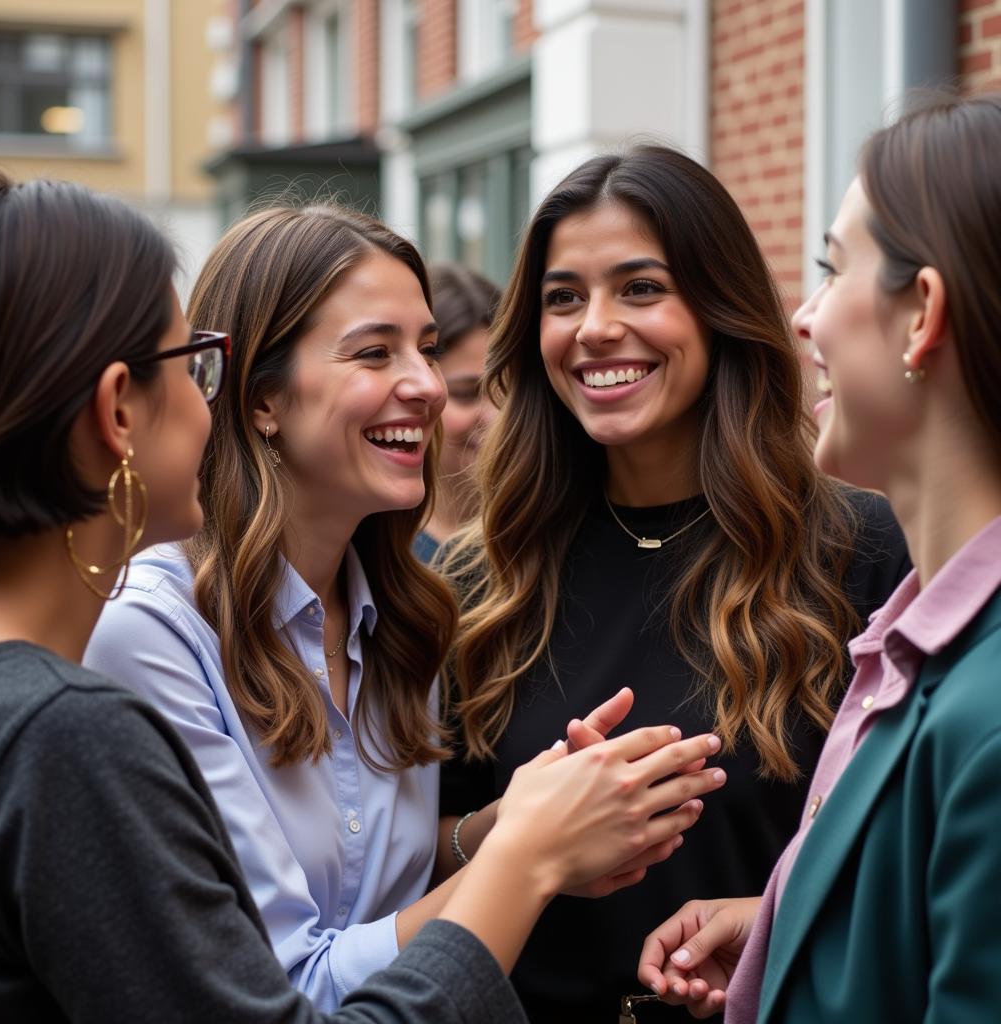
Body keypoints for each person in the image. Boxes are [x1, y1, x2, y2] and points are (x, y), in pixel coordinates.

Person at [0, 168, 724, 1024]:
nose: (428, 387)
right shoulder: (143, 641)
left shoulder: (409, 612)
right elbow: (290, 986)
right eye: (376, 352)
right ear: (260, 398)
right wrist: (528, 856)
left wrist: (494, 829)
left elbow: (384, 899)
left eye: (430, 348)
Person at [440, 144, 911, 1020]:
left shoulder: (862, 548)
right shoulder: (477, 575)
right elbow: (403, 859)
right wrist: (518, 829)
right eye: (563, 298)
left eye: (641, 288)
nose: (595, 327)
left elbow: (910, 847)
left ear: (718, 306)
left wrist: (772, 920)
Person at [637, 91, 1001, 1024]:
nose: (804, 317)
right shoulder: (923, 645)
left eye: (833, 272)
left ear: (922, 313)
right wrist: (791, 937)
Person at [413, 264, 500, 562]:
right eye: (466, 393)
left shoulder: (552, 536)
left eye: (509, 389)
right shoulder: (374, 550)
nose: (496, 416)